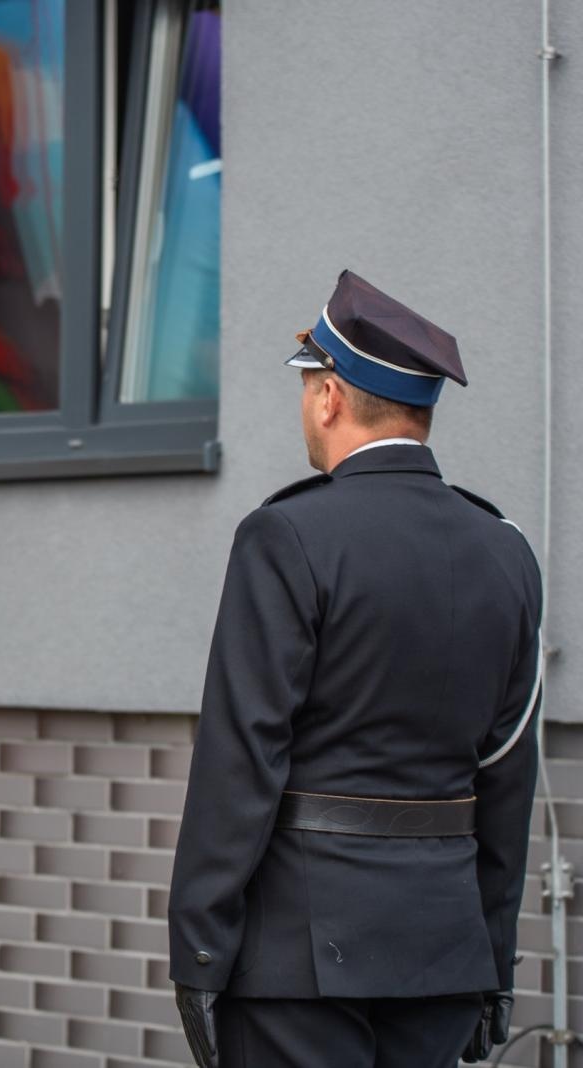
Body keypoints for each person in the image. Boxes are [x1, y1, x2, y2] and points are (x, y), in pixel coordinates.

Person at [168, 270, 543, 1068]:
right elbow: (509, 778)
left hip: (299, 962)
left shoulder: (287, 536)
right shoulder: (507, 553)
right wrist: (494, 964)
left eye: (309, 386)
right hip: (443, 950)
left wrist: (199, 953)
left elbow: (240, 761)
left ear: (330, 396)